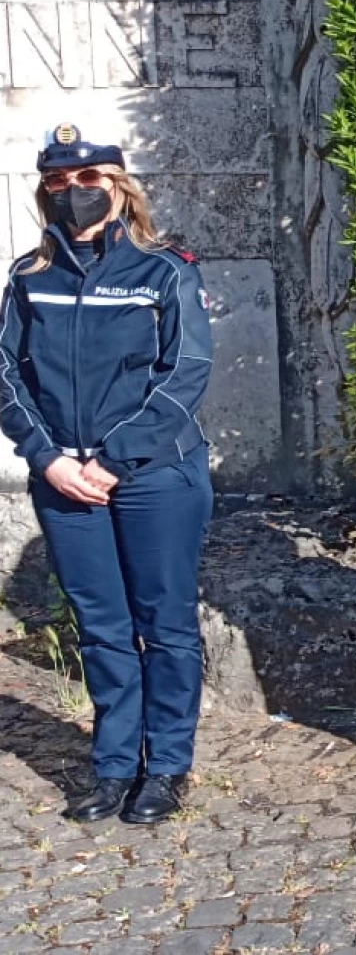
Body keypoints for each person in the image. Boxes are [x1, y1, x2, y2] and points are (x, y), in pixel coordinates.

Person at [0, 124, 215, 825]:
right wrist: (49, 457)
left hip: (155, 476)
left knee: (167, 623)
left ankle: (169, 765)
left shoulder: (165, 270)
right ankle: (115, 765)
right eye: (59, 183)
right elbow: (6, 374)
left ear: (119, 188)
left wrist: (112, 459)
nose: (74, 193)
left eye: (88, 180)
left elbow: (185, 374)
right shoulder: (30, 279)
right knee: (102, 627)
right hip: (64, 477)